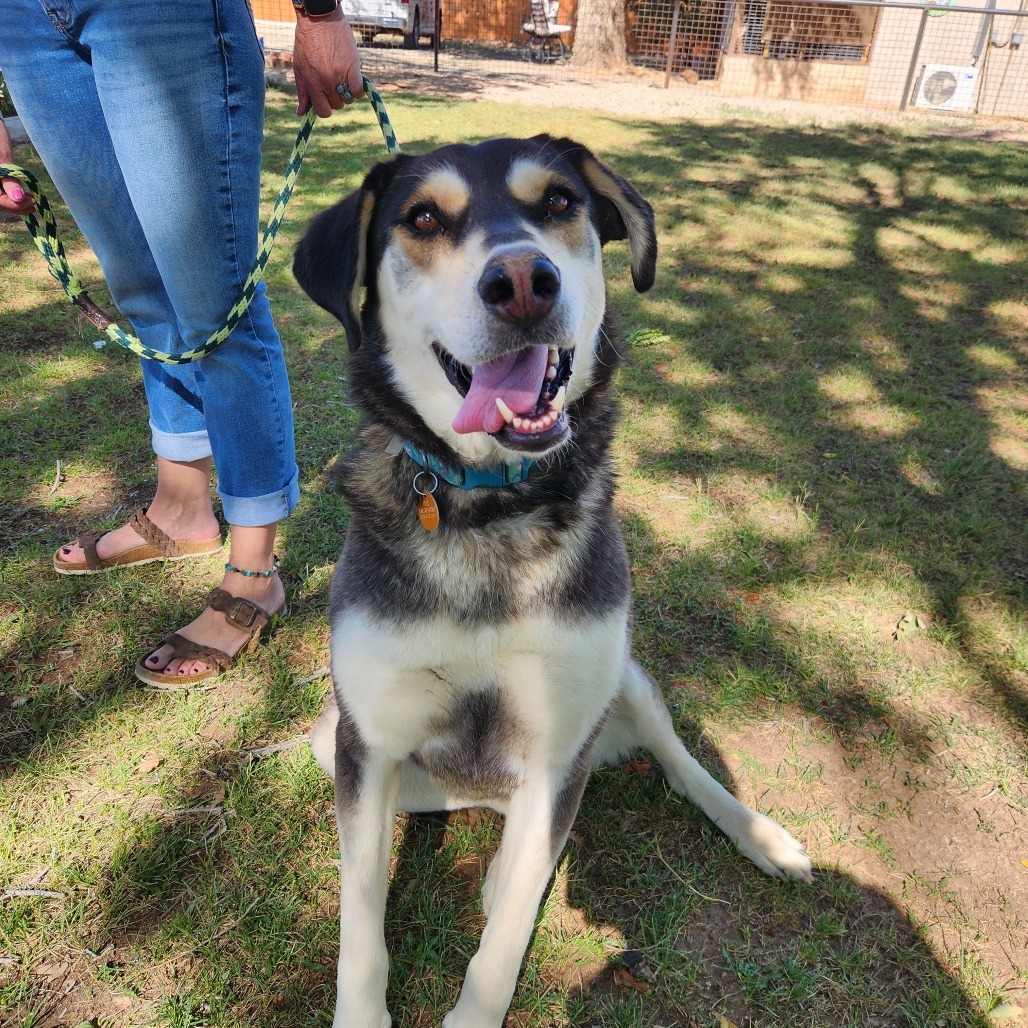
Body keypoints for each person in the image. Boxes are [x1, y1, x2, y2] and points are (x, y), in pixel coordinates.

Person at [0, 0, 362, 686]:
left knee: (214, 305)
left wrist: (319, 12)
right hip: (22, 20)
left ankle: (254, 577)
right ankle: (182, 507)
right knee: (140, 288)